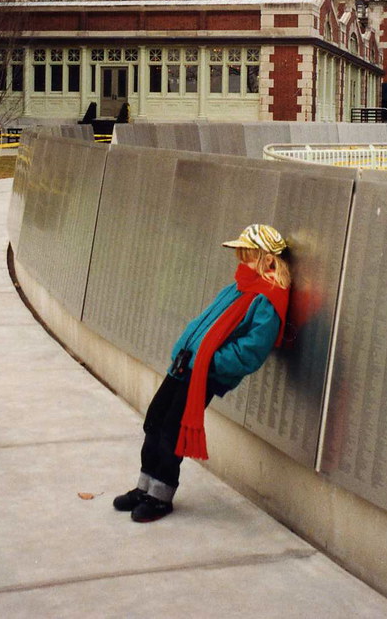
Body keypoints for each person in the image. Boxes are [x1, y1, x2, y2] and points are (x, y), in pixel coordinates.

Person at [113, 223, 291, 523]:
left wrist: (210, 361)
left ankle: (160, 496)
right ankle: (144, 486)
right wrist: (186, 347)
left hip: (202, 373)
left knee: (173, 430)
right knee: (155, 419)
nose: (240, 260)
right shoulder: (240, 286)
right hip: (185, 365)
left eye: (246, 254)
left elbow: (251, 351)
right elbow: (206, 323)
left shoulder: (268, 299)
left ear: (267, 259)